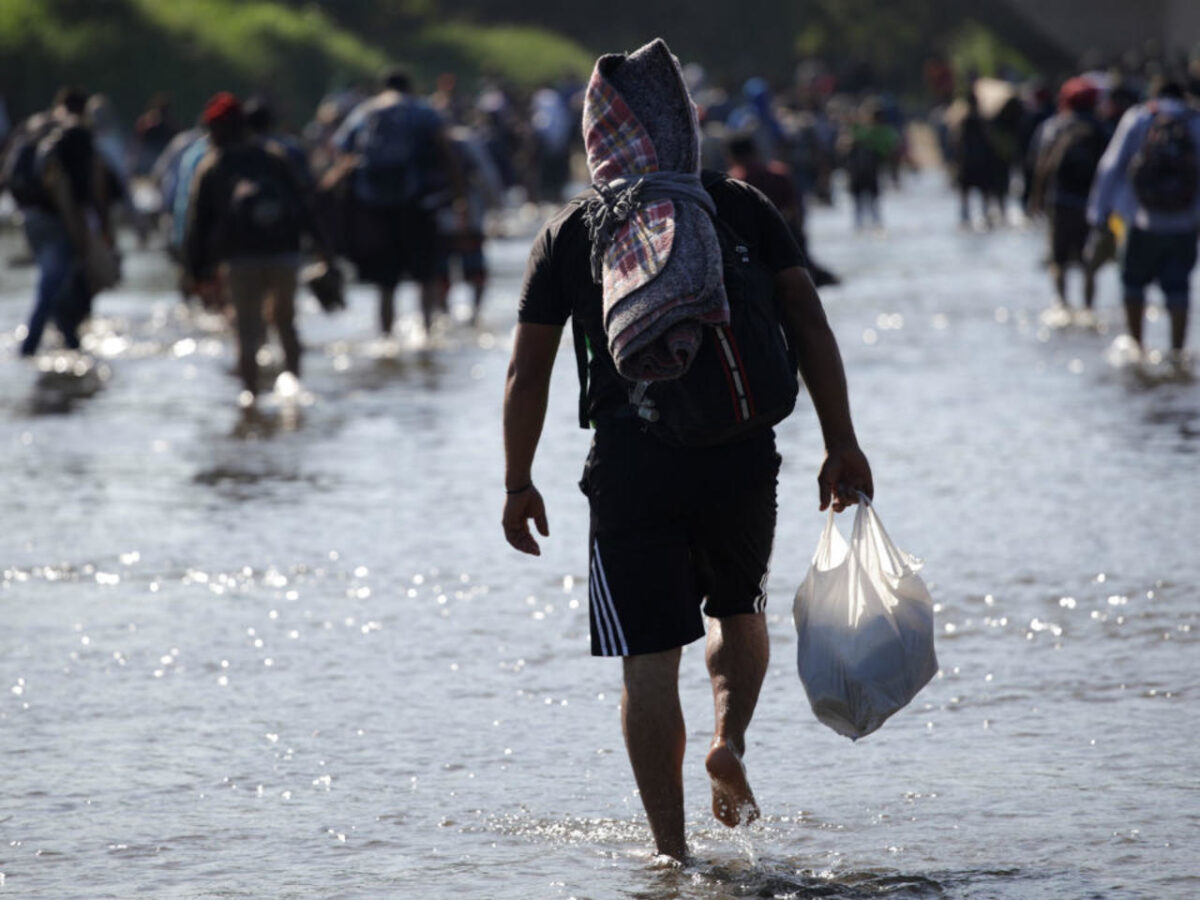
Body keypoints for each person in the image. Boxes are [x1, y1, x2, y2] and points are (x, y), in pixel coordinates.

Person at [501, 39, 873, 862]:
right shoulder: (738, 205)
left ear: (600, 134)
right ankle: (728, 739)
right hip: (741, 453)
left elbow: (528, 371)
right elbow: (809, 323)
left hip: (629, 466)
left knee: (647, 664)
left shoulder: (569, 230)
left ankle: (673, 858)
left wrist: (518, 481)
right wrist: (841, 440)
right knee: (737, 610)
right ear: (685, 124)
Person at [183, 92, 334, 399]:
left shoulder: (212, 165)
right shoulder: (276, 158)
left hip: (240, 259)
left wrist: (195, 272)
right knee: (286, 325)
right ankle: (294, 388)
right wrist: (324, 250)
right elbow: (304, 207)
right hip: (284, 255)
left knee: (247, 332)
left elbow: (198, 223)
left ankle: (250, 400)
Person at [331, 66, 465, 336]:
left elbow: (341, 148)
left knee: (385, 280)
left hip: (375, 205)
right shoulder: (424, 111)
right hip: (418, 203)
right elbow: (446, 151)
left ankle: (386, 335)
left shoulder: (365, 111)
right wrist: (459, 193)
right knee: (424, 274)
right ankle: (426, 331)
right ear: (409, 87)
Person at [1088, 77, 1200, 357]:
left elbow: (1110, 167)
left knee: (1133, 285)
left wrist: (1099, 215)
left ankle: (1138, 349)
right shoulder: (1195, 121)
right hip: (1185, 224)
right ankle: (1177, 354)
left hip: (1139, 221)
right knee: (1178, 290)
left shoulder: (1138, 119)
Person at [2, 86, 114, 356]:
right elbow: (86, 188)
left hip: (27, 217)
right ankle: (29, 348)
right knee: (53, 285)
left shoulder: (35, 125)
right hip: (55, 218)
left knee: (59, 281)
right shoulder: (75, 132)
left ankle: (70, 344)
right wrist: (100, 224)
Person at [1028, 77, 1106, 310]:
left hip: (1059, 201)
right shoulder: (1100, 128)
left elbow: (1038, 164)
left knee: (1058, 259)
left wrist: (1036, 198)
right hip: (1091, 204)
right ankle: (1088, 308)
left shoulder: (1053, 126)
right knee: (1088, 261)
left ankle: (1062, 305)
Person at [725, 133, 839, 286]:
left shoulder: (733, 181)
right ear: (756, 152)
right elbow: (796, 209)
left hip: (752, 248)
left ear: (731, 156)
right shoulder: (779, 173)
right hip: (786, 237)